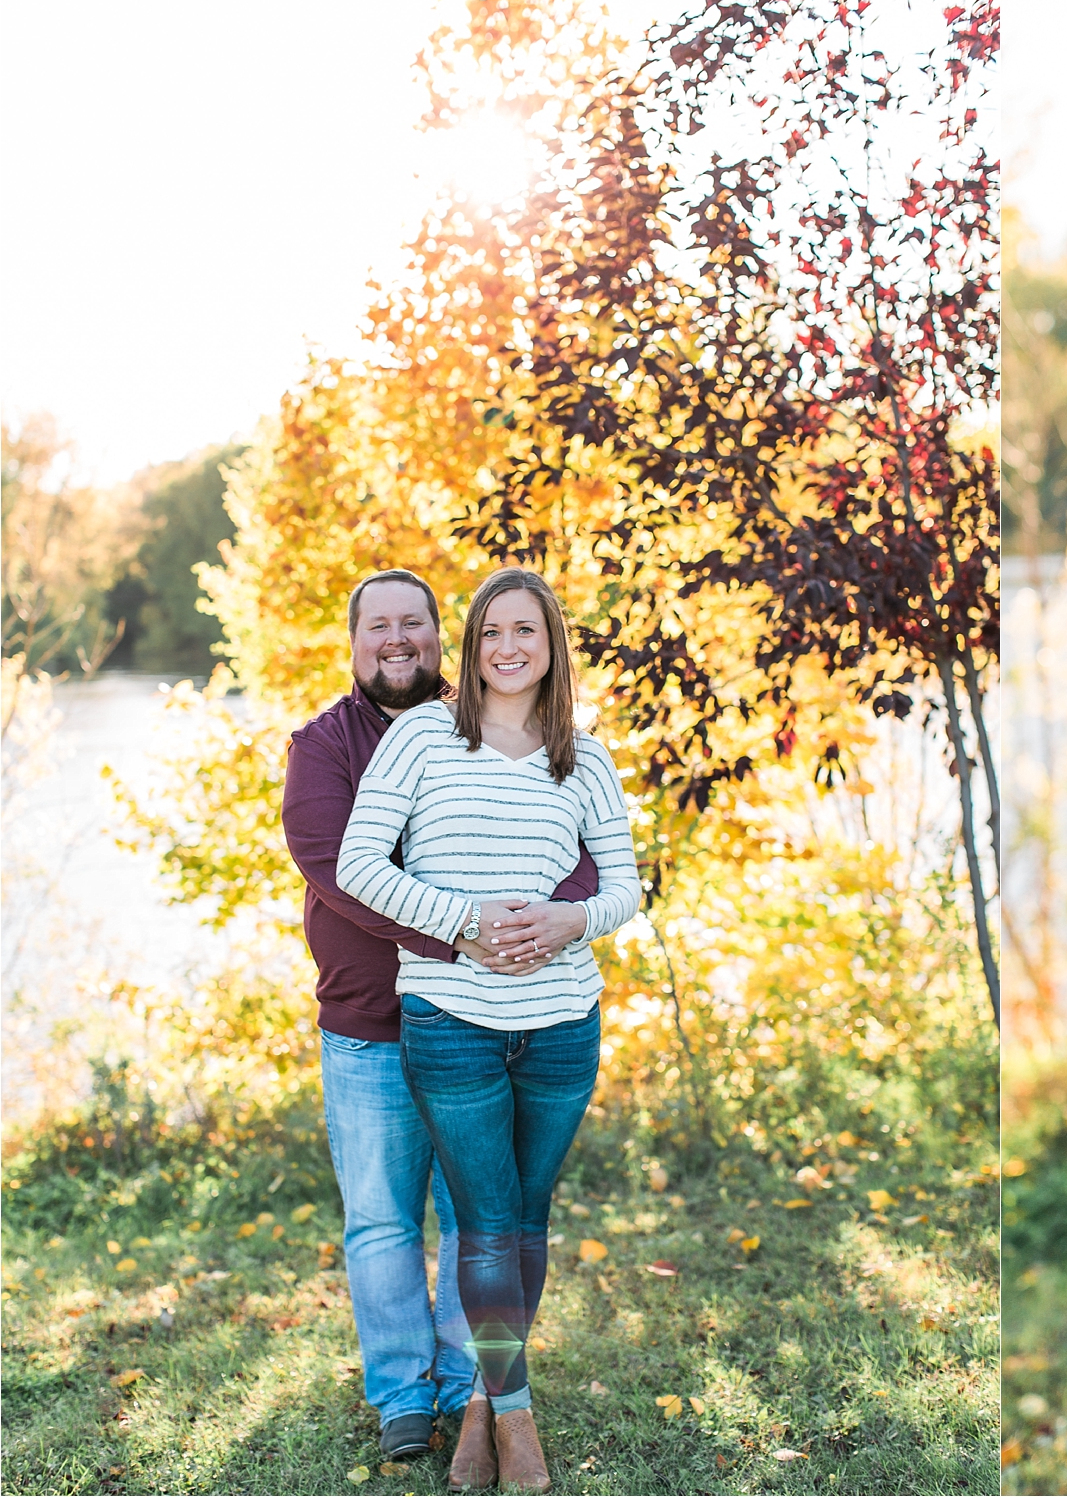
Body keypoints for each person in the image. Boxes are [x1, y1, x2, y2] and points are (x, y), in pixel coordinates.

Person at [336, 566, 641, 1495]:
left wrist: (570, 921)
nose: (509, 648)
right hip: (452, 1020)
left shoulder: (584, 759)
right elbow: (357, 864)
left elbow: (627, 885)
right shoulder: (426, 736)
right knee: (485, 1224)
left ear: (552, 647)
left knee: (531, 1222)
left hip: (560, 1024)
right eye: (492, 633)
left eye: (528, 632)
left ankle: (477, 1406)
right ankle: (517, 1418)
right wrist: (463, 920)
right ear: (470, 650)